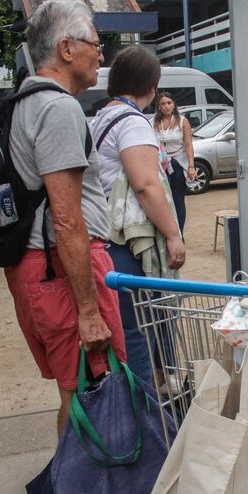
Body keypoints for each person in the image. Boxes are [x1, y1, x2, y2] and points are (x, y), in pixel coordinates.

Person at [4, 0, 126, 436]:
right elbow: (67, 219)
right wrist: (90, 312)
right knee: (92, 395)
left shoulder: (25, 100)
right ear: (66, 48)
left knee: (79, 394)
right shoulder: (57, 108)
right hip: (64, 268)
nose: (101, 54)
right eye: (96, 43)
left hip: (43, 268)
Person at [91, 46, 186, 384]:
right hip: (128, 244)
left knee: (131, 326)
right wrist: (173, 234)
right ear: (150, 85)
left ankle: (150, 398)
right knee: (139, 329)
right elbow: (145, 184)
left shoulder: (102, 117)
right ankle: (147, 415)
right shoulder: (132, 123)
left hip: (105, 240)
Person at [153, 92, 197, 232]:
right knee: (163, 200)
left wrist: (191, 167)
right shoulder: (153, 121)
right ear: (159, 106)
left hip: (178, 162)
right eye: (163, 104)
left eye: (169, 103)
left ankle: (180, 233)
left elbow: (188, 144)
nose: (166, 106)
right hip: (160, 164)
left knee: (178, 199)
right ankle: (167, 232)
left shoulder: (182, 121)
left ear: (174, 104)